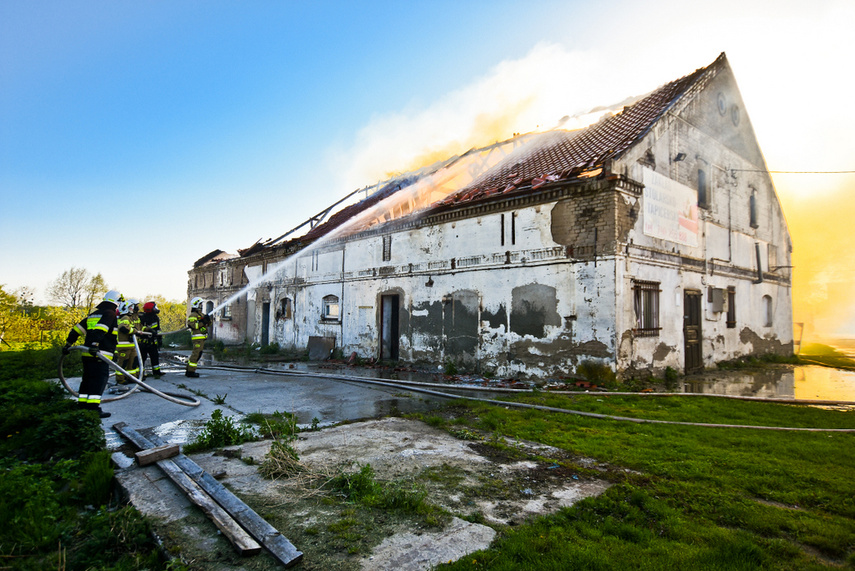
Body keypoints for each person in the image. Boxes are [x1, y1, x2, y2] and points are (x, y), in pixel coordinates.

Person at [62, 290, 122, 418]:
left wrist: (68, 344)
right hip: (100, 354)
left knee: (87, 380)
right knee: (99, 381)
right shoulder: (109, 313)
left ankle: (83, 405)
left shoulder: (94, 314)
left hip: (87, 353)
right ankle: (93, 408)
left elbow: (77, 330)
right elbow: (101, 329)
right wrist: (95, 344)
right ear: (116, 302)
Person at [114, 299, 143, 386]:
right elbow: (123, 328)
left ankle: (132, 377)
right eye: (131, 307)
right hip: (124, 346)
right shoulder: (125, 318)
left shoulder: (130, 318)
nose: (133, 308)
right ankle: (120, 379)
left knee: (133, 363)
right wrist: (134, 331)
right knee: (123, 363)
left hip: (132, 345)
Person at [186, 296, 211, 378]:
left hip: (202, 338)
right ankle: (190, 372)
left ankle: (189, 370)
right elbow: (193, 325)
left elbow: (209, 324)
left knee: (198, 354)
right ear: (196, 304)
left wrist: (207, 319)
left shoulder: (201, 314)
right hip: (197, 338)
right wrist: (203, 322)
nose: (201, 305)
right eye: (200, 304)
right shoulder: (193, 315)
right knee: (196, 354)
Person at [139, 301, 164, 377]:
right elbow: (140, 328)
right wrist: (149, 330)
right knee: (142, 358)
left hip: (153, 341)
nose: (156, 309)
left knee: (155, 356)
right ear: (150, 309)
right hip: (144, 342)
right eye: (154, 307)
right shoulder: (142, 318)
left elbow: (158, 329)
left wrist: (159, 338)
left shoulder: (155, 318)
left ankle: (156, 372)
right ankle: (141, 373)